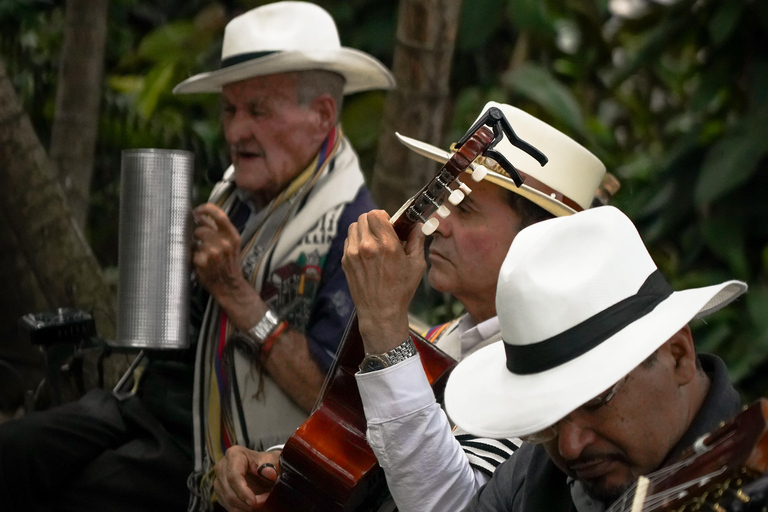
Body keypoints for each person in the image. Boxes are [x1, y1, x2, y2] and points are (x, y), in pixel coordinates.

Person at [0, 3, 394, 512]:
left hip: (221, 446)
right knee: (14, 449)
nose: (234, 132)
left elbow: (330, 395)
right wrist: (173, 265)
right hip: (149, 404)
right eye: (229, 110)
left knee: (79, 491)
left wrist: (235, 292)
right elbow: (160, 338)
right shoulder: (236, 189)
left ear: (321, 115)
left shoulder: (351, 226)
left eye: (257, 110)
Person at [212, 102, 609, 511]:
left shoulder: (549, 369)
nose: (440, 222)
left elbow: (454, 504)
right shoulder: (442, 339)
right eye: (447, 202)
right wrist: (281, 465)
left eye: (466, 210)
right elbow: (351, 446)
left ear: (540, 237)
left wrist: (384, 324)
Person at [443, 205, 748, 511]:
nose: (570, 447)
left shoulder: (748, 483)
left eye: (593, 401)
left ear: (678, 356)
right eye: (544, 419)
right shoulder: (537, 466)